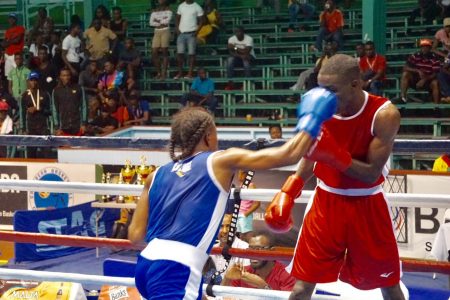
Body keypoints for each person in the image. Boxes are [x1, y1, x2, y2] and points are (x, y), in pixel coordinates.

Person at [128, 84, 338, 299]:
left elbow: (135, 236)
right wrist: (314, 118)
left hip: (146, 264)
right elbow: (290, 154)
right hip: (177, 269)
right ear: (209, 136)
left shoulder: (156, 175)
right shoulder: (220, 160)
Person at [263, 54, 405, 300]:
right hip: (325, 205)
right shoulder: (320, 107)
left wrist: (334, 155)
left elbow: (371, 173)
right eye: (321, 88)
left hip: (367, 206)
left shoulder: (384, 115)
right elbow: (313, 152)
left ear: (355, 83)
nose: (324, 96)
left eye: (332, 90)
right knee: (300, 288)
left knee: (389, 285)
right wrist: (290, 188)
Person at [222, 232, 296, 291]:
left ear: (272, 251)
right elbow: (224, 297)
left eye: (259, 249)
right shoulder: (242, 272)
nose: (254, 254)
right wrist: (227, 278)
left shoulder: (287, 275)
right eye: (251, 249)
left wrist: (263, 287)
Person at [400, 38, 441, 103]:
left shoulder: (434, 58)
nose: (424, 49)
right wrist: (417, 70)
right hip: (415, 79)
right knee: (405, 74)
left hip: (428, 80)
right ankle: (403, 98)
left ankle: (436, 106)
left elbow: (435, 73)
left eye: (426, 47)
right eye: (423, 47)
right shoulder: (415, 55)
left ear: (430, 48)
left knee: (435, 83)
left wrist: (424, 80)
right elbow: (405, 67)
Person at [22, 71, 51, 158]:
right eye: (31, 80)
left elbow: (50, 111)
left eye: (35, 80)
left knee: (46, 153)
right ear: (28, 81)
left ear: (38, 81)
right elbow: (22, 113)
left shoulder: (45, 94)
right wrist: (23, 128)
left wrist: (40, 109)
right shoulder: (24, 96)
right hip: (31, 128)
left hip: (43, 127)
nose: (33, 82)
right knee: (31, 154)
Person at [174, 0, 204, 79]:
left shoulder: (197, 7)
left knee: (191, 54)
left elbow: (202, 21)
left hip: (192, 33)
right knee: (180, 54)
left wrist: (196, 32)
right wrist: (177, 29)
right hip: (181, 33)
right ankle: (180, 73)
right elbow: (177, 18)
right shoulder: (181, 6)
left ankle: (189, 74)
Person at [53, 68, 85, 136]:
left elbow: (84, 106)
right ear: (60, 77)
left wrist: (84, 124)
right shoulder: (56, 91)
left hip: (78, 126)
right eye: (64, 75)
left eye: (68, 75)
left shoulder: (79, 88)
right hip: (63, 127)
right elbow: (55, 110)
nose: (66, 78)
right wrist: (57, 127)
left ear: (70, 76)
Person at [149, 0, 173, 80]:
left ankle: (164, 73)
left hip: (165, 30)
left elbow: (167, 21)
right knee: (154, 51)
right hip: (157, 31)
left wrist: (157, 21)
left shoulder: (169, 10)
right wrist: (160, 22)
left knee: (164, 51)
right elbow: (151, 23)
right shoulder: (154, 11)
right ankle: (159, 72)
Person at [236, 170, 260, 242]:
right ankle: (240, 252)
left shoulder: (251, 185)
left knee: (247, 236)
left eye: (242, 173)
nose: (239, 175)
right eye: (239, 173)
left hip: (244, 215)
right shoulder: (240, 186)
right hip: (238, 214)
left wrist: (245, 214)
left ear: (246, 175)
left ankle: (250, 251)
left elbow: (257, 203)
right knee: (239, 237)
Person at [2, 13, 25, 77]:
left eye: (13, 19)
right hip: (8, 55)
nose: (11, 20)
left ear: (16, 20)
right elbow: (3, 44)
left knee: (19, 75)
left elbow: (17, 40)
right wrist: (12, 41)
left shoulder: (20, 28)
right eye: (10, 18)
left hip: (16, 55)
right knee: (9, 76)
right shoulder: (7, 31)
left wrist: (8, 42)